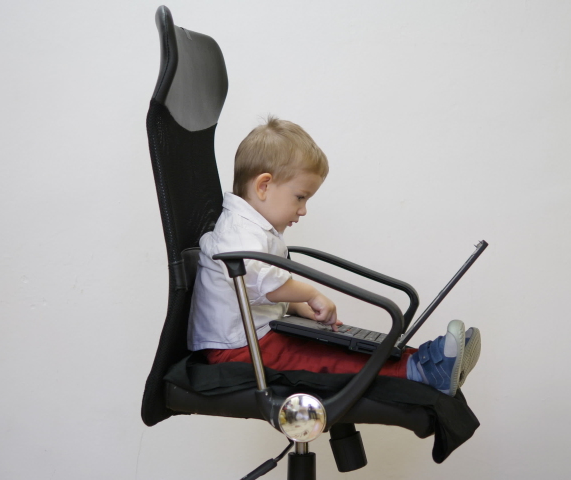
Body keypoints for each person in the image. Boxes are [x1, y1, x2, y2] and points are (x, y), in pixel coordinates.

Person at [188, 116, 481, 396]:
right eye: (300, 197)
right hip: (238, 351)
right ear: (264, 186)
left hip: (254, 338)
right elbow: (263, 282)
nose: (303, 210)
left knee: (340, 345)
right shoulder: (240, 232)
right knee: (326, 361)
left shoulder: (252, 229)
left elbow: (256, 291)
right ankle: (421, 371)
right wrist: (311, 295)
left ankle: (424, 359)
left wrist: (295, 307)